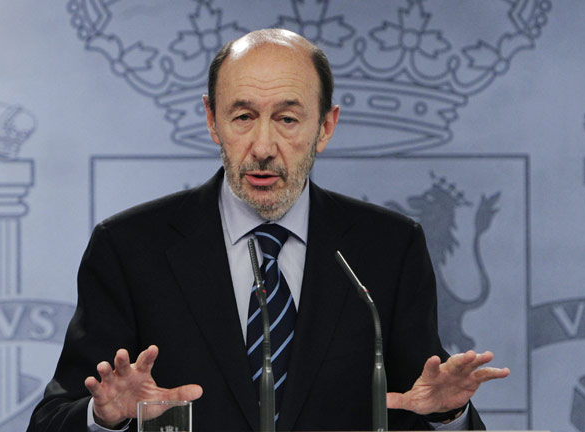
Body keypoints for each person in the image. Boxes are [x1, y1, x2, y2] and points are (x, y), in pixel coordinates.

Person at [27, 28, 509, 432]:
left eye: (287, 119)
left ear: (326, 127)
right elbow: (51, 419)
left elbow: (418, 400)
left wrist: (447, 415)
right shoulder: (129, 248)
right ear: (212, 121)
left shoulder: (388, 248)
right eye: (243, 117)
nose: (262, 146)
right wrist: (104, 417)